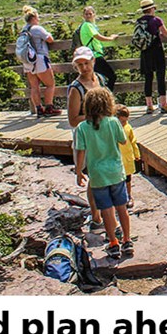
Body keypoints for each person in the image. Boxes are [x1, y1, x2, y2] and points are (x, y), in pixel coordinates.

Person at [73, 88, 132, 259]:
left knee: (106, 210)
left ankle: (113, 242)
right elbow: (122, 140)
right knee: (122, 207)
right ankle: (127, 240)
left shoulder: (82, 127)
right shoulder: (113, 122)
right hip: (116, 172)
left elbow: (80, 151)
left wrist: (78, 172)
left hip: (97, 175)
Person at [67, 46, 107, 229]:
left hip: (103, 132)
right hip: (86, 135)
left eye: (86, 63)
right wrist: (96, 115)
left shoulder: (100, 80)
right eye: (80, 65)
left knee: (105, 172)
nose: (84, 68)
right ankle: (96, 215)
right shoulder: (76, 89)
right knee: (94, 175)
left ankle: (106, 210)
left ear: (93, 61)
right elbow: (73, 119)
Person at [136, 0, 167, 113]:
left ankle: (149, 105)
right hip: (156, 50)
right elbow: (166, 34)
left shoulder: (139, 21)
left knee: (148, 77)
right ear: (152, 9)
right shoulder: (156, 20)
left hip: (145, 51)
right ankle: (163, 103)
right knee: (160, 76)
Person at [19, 5, 60, 117]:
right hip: (40, 59)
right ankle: (49, 107)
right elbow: (50, 40)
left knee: (34, 86)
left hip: (27, 61)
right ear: (34, 18)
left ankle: (38, 109)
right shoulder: (37, 28)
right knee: (50, 84)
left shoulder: (23, 30)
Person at [79, 6, 120, 92]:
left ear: (94, 15)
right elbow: (98, 37)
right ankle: (106, 97)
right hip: (95, 56)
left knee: (97, 79)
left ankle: (99, 99)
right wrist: (111, 38)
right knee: (111, 76)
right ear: (83, 16)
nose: (88, 16)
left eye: (90, 14)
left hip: (91, 56)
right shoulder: (87, 25)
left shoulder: (87, 26)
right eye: (86, 14)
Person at [116, 105, 141, 207]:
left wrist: (136, 154)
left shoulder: (128, 127)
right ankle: (118, 197)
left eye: (125, 121)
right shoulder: (113, 129)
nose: (124, 123)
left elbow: (133, 141)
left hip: (127, 158)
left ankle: (129, 196)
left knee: (128, 179)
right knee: (117, 180)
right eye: (121, 121)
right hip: (117, 159)